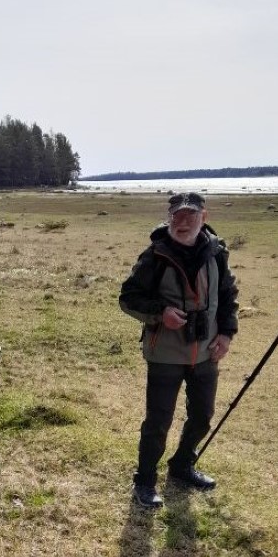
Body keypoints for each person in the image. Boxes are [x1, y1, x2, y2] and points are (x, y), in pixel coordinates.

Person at [119, 192, 239, 508]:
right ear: (169, 216)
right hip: (165, 353)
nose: (182, 221)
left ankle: (182, 465)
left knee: (203, 416)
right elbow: (128, 298)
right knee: (158, 422)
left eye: (190, 215)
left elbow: (228, 296)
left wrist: (226, 334)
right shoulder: (154, 256)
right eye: (177, 214)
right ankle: (144, 482)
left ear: (205, 217)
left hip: (206, 353)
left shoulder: (217, 253)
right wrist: (162, 314)